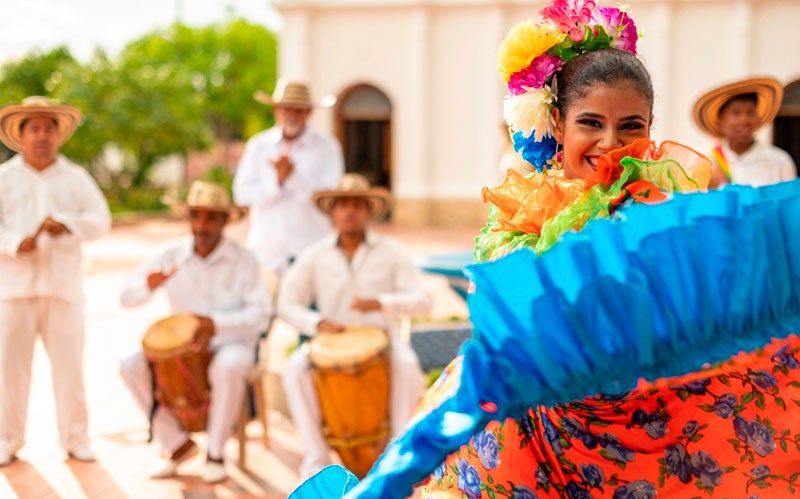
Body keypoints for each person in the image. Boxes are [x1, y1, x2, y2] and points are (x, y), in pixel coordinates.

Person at [287, 1, 800, 497]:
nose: (611, 143)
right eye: (591, 123)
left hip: (653, 416)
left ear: (650, 128)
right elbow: (510, 311)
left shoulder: (667, 203)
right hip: (542, 422)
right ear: (557, 123)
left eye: (631, 126)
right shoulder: (524, 208)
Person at [278, 173, 432, 481]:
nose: (350, 211)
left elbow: (424, 301)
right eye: (343, 205)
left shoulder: (391, 251)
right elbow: (285, 301)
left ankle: (397, 458)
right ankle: (317, 462)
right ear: (332, 210)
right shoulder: (316, 254)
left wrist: (382, 303)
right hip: (329, 343)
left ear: (368, 211)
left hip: (383, 340)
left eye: (358, 205)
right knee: (293, 370)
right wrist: (315, 322)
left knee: (407, 365)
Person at [119, 180, 272, 483]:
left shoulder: (245, 260)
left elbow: (262, 315)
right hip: (183, 349)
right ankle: (176, 445)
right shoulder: (170, 254)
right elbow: (126, 298)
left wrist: (217, 323)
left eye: (210, 217)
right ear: (188, 218)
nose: (202, 225)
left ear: (225, 220)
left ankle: (215, 452)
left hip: (231, 342)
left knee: (228, 365)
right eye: (196, 216)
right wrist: (149, 286)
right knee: (130, 366)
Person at [0, 96, 111, 466]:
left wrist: (68, 224)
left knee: (70, 369)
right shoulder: (4, 179)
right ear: (21, 134)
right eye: (34, 128)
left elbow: (101, 221)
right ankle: (6, 440)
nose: (42, 135)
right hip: (14, 290)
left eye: (49, 128)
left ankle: (75, 438)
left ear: (58, 134)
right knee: (9, 371)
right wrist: (17, 243)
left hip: (64, 289)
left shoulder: (75, 178)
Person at [233, 78, 345, 276]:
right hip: (266, 251)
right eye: (286, 108)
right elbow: (242, 195)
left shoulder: (327, 147)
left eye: (298, 109)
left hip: (311, 248)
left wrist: (292, 178)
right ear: (276, 110)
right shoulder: (258, 146)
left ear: (309, 112)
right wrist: (277, 182)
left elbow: (331, 199)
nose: (292, 115)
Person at [693, 77, 797, 188]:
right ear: (720, 120)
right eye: (736, 113)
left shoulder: (779, 161)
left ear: (758, 119)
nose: (744, 120)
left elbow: (789, 203)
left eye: (750, 112)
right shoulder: (704, 160)